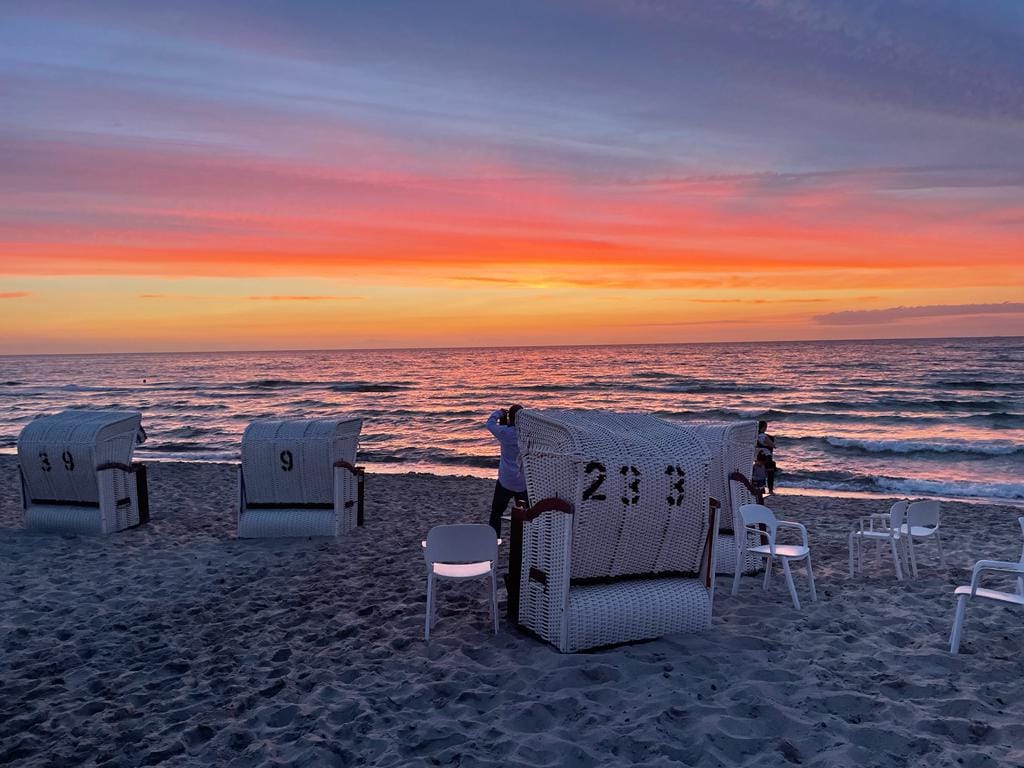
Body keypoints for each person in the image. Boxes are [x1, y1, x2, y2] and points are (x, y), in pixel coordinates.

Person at [486, 404, 527, 537]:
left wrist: (499, 413)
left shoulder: (504, 432)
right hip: (524, 481)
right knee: (526, 514)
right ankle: (525, 541)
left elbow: (490, 424)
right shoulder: (528, 436)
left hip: (506, 480)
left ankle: (494, 540)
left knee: (496, 513)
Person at [757, 420, 777, 494]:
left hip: (757, 457)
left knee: (759, 473)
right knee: (770, 472)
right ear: (764, 427)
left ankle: (759, 488)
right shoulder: (763, 436)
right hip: (766, 457)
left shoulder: (754, 436)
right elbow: (773, 446)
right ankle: (770, 490)